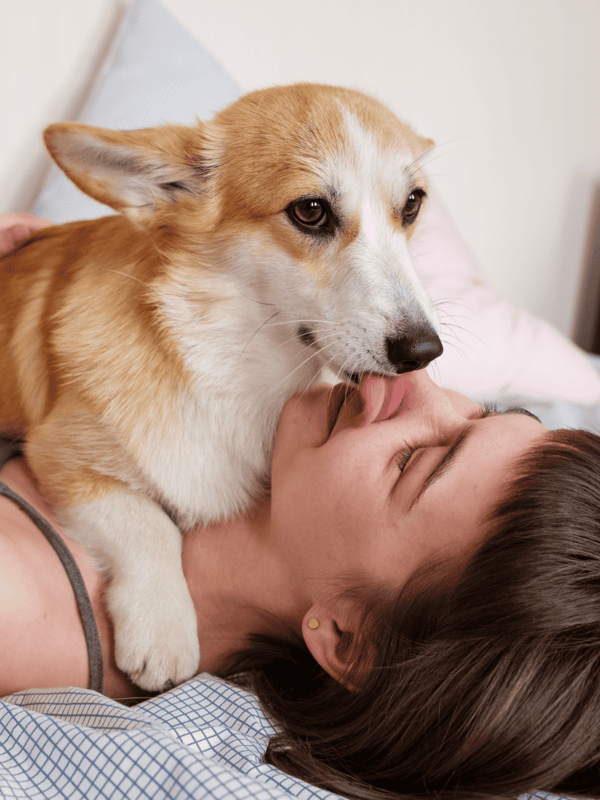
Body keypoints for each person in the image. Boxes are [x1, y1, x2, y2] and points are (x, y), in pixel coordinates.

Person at [2, 214, 600, 800]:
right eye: (484, 413)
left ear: (345, 638)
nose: (413, 383)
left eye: (414, 461)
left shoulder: (19, 602)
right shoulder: (234, 403)